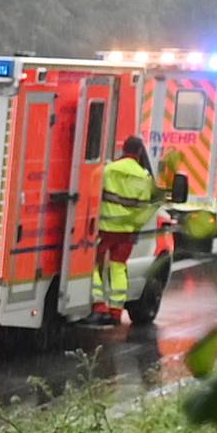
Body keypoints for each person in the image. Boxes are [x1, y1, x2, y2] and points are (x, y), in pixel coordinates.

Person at [95, 135, 158, 325]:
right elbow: (143, 209)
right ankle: (115, 311)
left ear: (123, 148)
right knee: (118, 267)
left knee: (93, 265)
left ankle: (98, 305)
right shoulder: (144, 177)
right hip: (127, 232)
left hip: (105, 228)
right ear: (139, 152)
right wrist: (134, 228)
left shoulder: (108, 170)